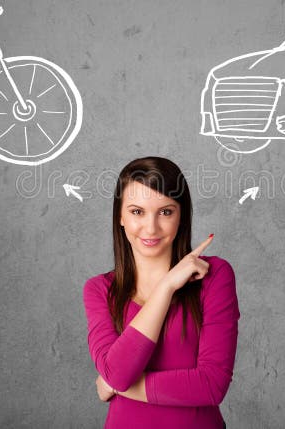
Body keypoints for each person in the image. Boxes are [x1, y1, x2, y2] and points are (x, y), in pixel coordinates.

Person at [83, 156, 240, 428]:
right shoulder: (100, 290)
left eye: (165, 212)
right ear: (120, 216)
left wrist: (116, 384)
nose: (151, 227)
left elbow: (211, 386)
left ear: (182, 216)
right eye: (137, 211)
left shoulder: (214, 275)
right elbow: (116, 374)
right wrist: (166, 287)